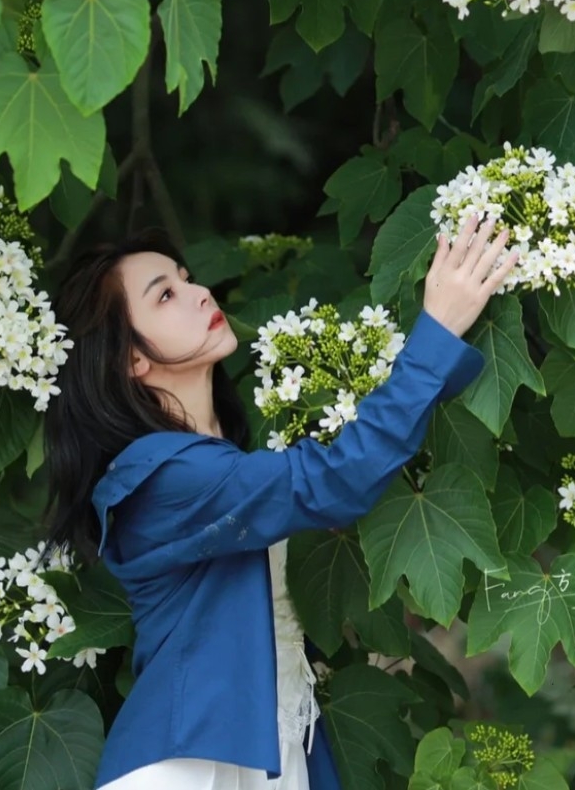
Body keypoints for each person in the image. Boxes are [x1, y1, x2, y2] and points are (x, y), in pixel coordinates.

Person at [43, 212, 517, 790]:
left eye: (187, 278)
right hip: (186, 765)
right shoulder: (161, 476)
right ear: (131, 360)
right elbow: (336, 481)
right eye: (166, 295)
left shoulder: (220, 462)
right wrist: (437, 329)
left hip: (278, 750)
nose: (198, 294)